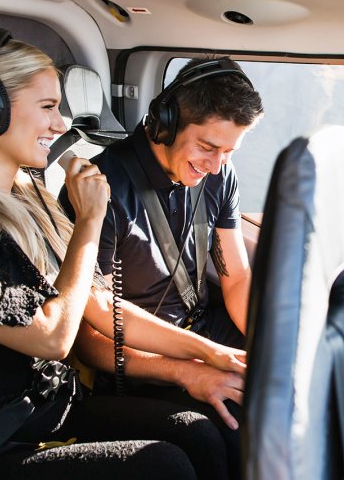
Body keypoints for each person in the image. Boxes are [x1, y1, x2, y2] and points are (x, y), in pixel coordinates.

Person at [0, 29, 245, 479]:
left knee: (197, 432)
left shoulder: (27, 198)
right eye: (48, 108)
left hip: (52, 408)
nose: (60, 125)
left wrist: (208, 354)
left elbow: (98, 304)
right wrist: (90, 222)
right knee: (160, 465)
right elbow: (53, 337)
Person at [59, 57, 263, 478]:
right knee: (237, 433)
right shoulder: (100, 189)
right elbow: (91, 338)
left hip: (206, 332)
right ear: (165, 123)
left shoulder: (219, 175)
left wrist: (270, 339)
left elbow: (237, 278)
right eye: (207, 147)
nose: (216, 165)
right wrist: (188, 369)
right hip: (144, 360)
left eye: (228, 151)